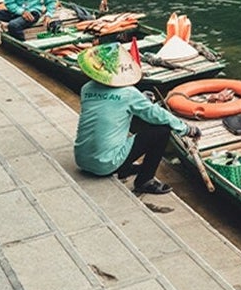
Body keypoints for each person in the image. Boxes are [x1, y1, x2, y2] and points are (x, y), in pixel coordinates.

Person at [72, 42, 180, 197]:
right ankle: (145, 181)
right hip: (104, 165)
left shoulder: (86, 89)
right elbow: (156, 115)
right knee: (162, 131)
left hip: (82, 159)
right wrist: (185, 128)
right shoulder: (129, 93)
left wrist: (140, 99)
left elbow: (108, 106)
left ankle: (124, 167)